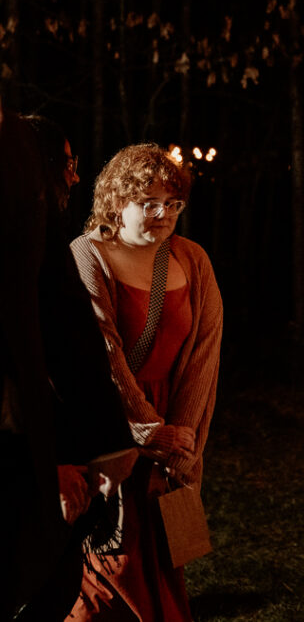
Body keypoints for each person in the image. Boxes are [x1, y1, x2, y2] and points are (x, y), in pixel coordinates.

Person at [65, 144, 223, 622]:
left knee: (160, 562)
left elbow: (204, 355)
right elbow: (104, 352)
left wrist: (184, 439)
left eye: (173, 204)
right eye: (149, 202)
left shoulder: (191, 259)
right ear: (117, 199)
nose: (163, 214)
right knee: (110, 563)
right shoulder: (87, 254)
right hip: (110, 429)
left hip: (174, 435)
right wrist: (149, 433)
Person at [1, 108, 135, 620]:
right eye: (66, 162)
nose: (72, 174)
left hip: (47, 439)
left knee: (52, 581)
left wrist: (105, 444)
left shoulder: (37, 228)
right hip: (23, 446)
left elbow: (67, 329)